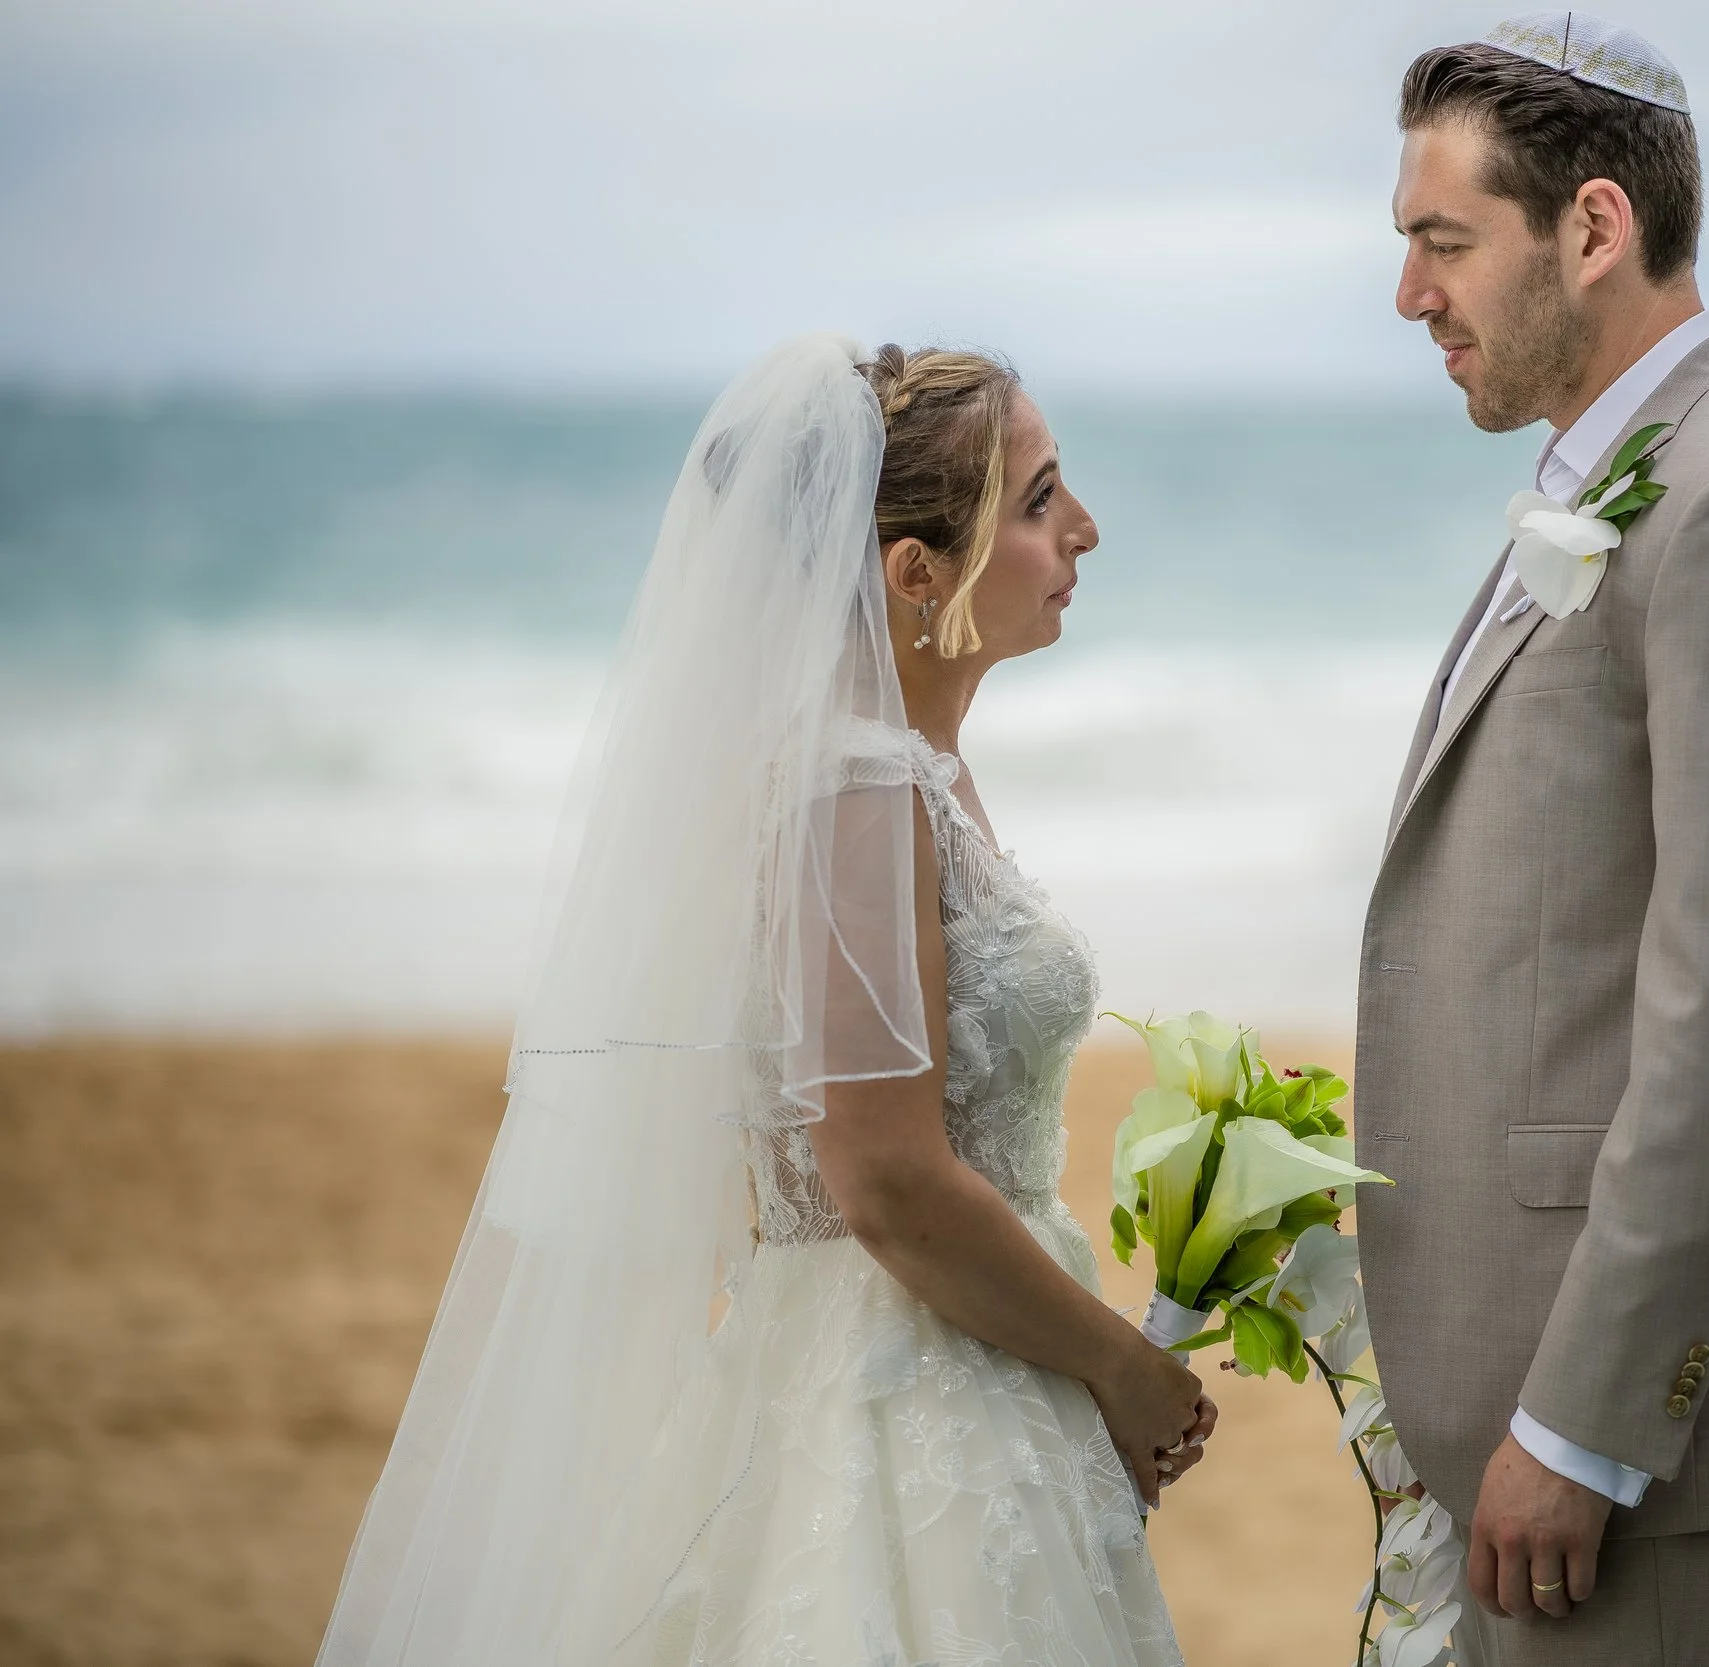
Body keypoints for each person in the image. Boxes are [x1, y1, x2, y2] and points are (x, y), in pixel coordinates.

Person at [318, 334, 1210, 1666]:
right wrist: (1124, 1368)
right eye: (1036, 500)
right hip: (901, 1393)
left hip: (981, 1360)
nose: (1082, 528)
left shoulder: (914, 772)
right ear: (916, 575)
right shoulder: (854, 786)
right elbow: (887, 1180)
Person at [1354, 14, 1709, 1665]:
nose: (1410, 296)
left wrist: (1592, 1422)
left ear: (1593, 229)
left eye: (1442, 243)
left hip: (1627, 1463)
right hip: (1516, 1416)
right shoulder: (1615, 480)